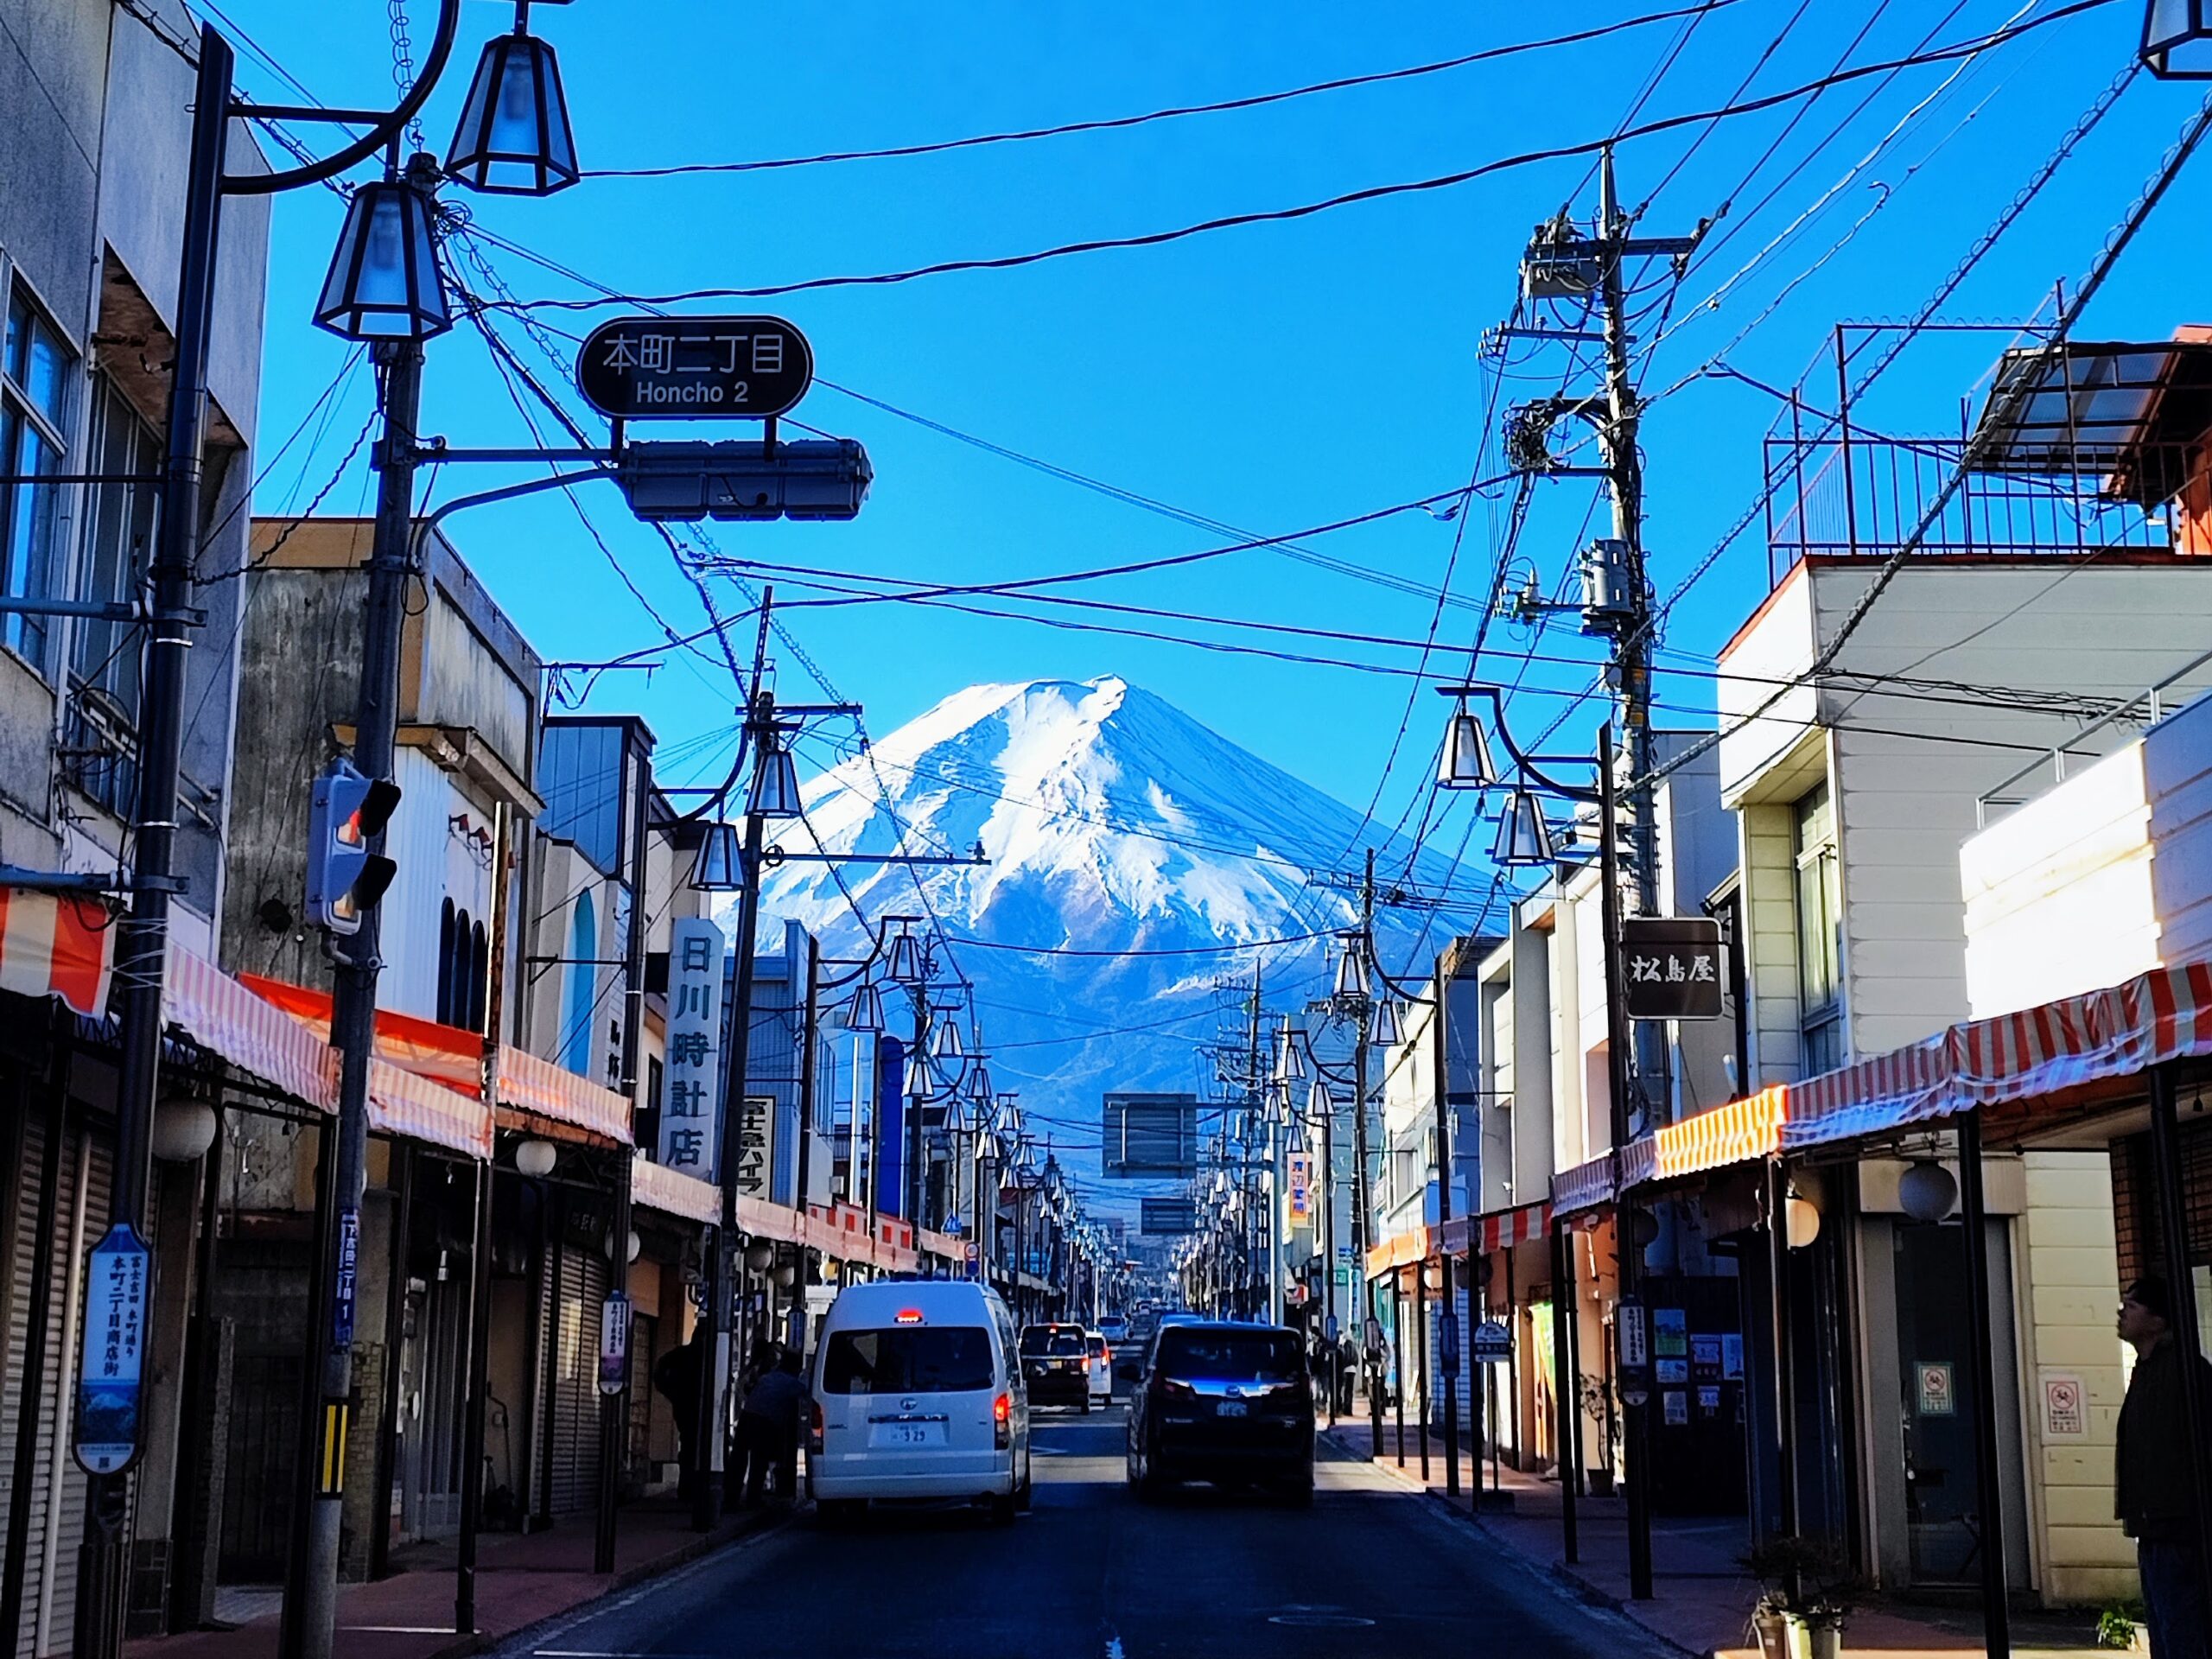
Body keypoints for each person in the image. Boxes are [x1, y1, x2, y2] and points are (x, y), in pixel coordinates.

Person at [2116, 1274, 2212, 1657]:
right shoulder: (2151, 1369)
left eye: (2133, 1305)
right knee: (2169, 1629)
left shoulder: (2180, 1372)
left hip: (2174, 1526)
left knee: (2179, 1630)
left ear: (2159, 1320)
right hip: (2157, 1524)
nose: (2122, 1311)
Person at [733, 1347, 806, 1507]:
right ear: (796, 1367)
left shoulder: (767, 1378)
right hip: (765, 1422)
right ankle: (753, 1498)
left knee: (740, 1458)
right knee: (759, 1461)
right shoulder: (792, 1384)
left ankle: (731, 1497)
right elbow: (808, 1395)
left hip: (747, 1417)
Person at [652, 1328, 709, 1501]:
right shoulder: (698, 1356)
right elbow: (660, 1372)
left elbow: (660, 1371)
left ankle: (688, 1488)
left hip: (689, 1405)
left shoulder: (683, 1354)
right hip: (691, 1406)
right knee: (692, 1447)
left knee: (690, 1447)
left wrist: (671, 1392)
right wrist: (672, 1392)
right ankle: (690, 1489)